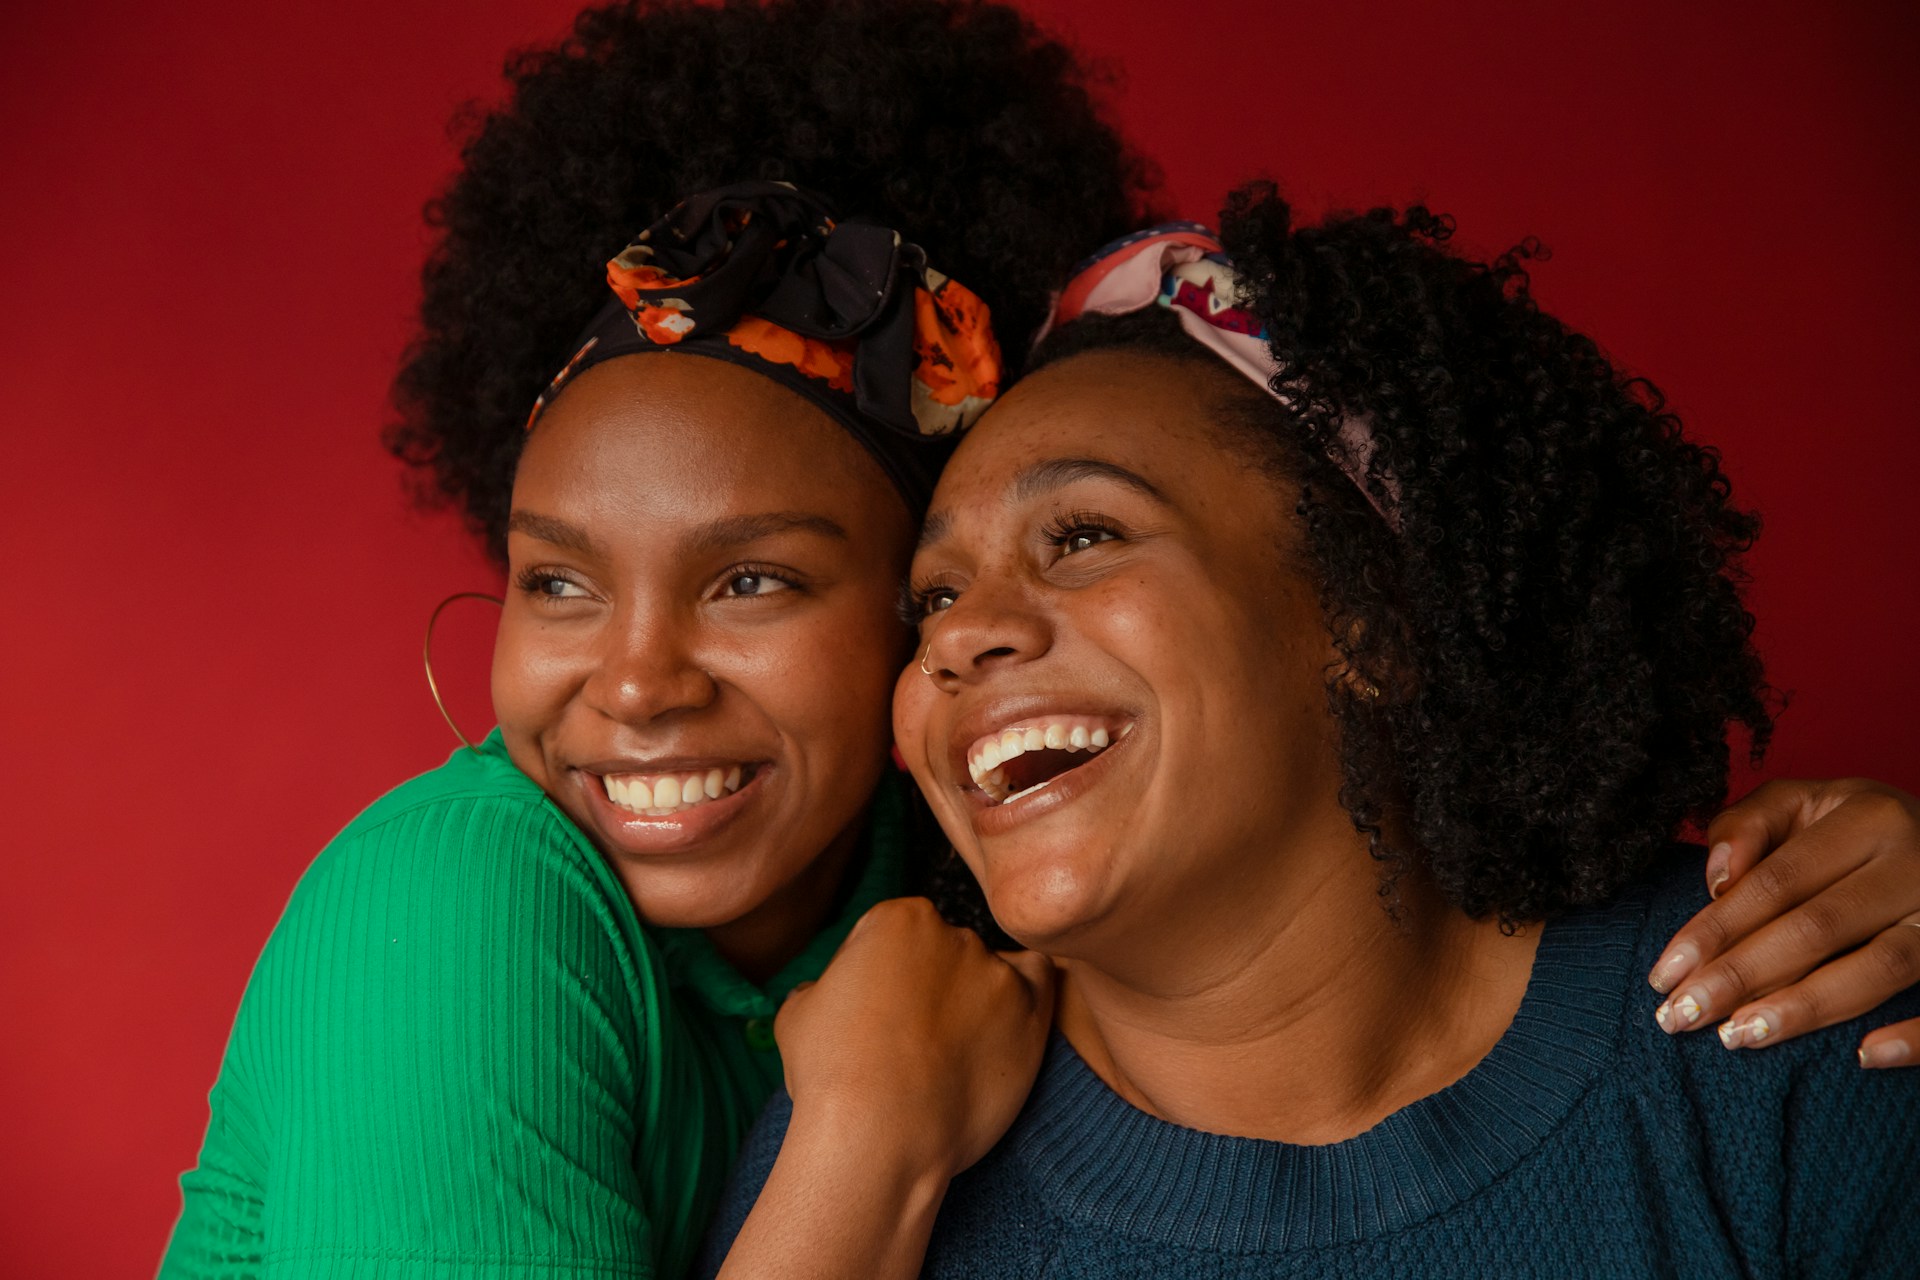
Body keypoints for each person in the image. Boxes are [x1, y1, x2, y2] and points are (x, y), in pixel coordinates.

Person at [704, 189, 1920, 1277]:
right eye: (933, 598)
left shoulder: (1785, 1024)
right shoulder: (858, 1162)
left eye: (1082, 535)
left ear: (1371, 618)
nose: (957, 639)